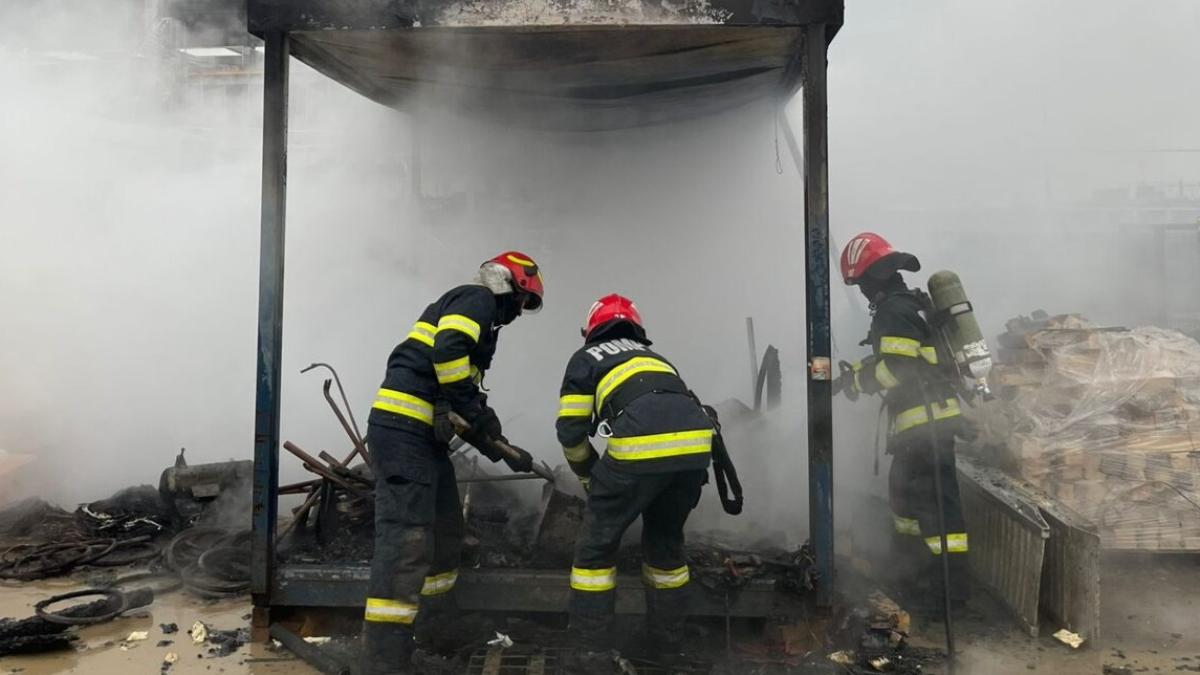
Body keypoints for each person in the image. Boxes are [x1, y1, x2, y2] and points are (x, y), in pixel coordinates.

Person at [361, 251, 543, 675]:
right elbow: (448, 353)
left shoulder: (484, 325)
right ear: (505, 283)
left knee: (445, 531)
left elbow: (458, 395)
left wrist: (491, 436)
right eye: (520, 299)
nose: (519, 310)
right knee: (406, 540)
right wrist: (476, 415)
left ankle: (437, 626)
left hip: (424, 440)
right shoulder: (476, 299)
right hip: (402, 430)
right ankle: (384, 657)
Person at [555, 294, 715, 673]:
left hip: (639, 452)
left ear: (591, 331)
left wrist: (589, 477)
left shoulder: (587, 358)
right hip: (694, 454)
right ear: (637, 330)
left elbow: (571, 431)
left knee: (595, 552)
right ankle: (668, 647)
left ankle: (590, 652)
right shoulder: (656, 359)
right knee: (665, 548)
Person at [835, 232, 970, 608]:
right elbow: (901, 357)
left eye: (860, 282)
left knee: (936, 512)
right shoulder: (908, 305)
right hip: (920, 426)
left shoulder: (894, 310)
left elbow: (899, 368)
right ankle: (912, 575)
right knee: (907, 505)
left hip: (926, 425)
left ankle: (948, 593)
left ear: (874, 277)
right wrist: (850, 376)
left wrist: (859, 382)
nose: (862, 291)